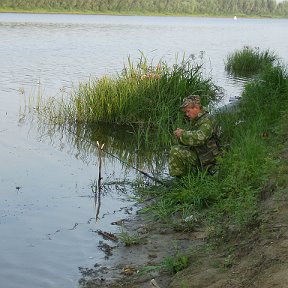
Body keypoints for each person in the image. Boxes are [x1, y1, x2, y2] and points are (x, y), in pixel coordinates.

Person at [168, 95, 220, 177]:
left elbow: (200, 138)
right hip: (204, 152)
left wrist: (182, 134)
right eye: (185, 112)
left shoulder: (206, 120)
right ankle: (187, 175)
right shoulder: (200, 119)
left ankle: (181, 179)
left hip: (208, 156)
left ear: (196, 107)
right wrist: (181, 137)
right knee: (178, 148)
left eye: (188, 111)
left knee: (175, 151)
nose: (187, 114)